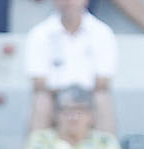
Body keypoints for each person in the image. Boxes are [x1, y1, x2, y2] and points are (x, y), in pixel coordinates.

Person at [24, 0, 116, 136]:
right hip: (54, 98)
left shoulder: (102, 32)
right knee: (41, 100)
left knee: (102, 98)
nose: (68, 2)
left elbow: (103, 81)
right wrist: (68, 95)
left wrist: (76, 96)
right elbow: (38, 81)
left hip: (88, 97)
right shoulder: (39, 33)